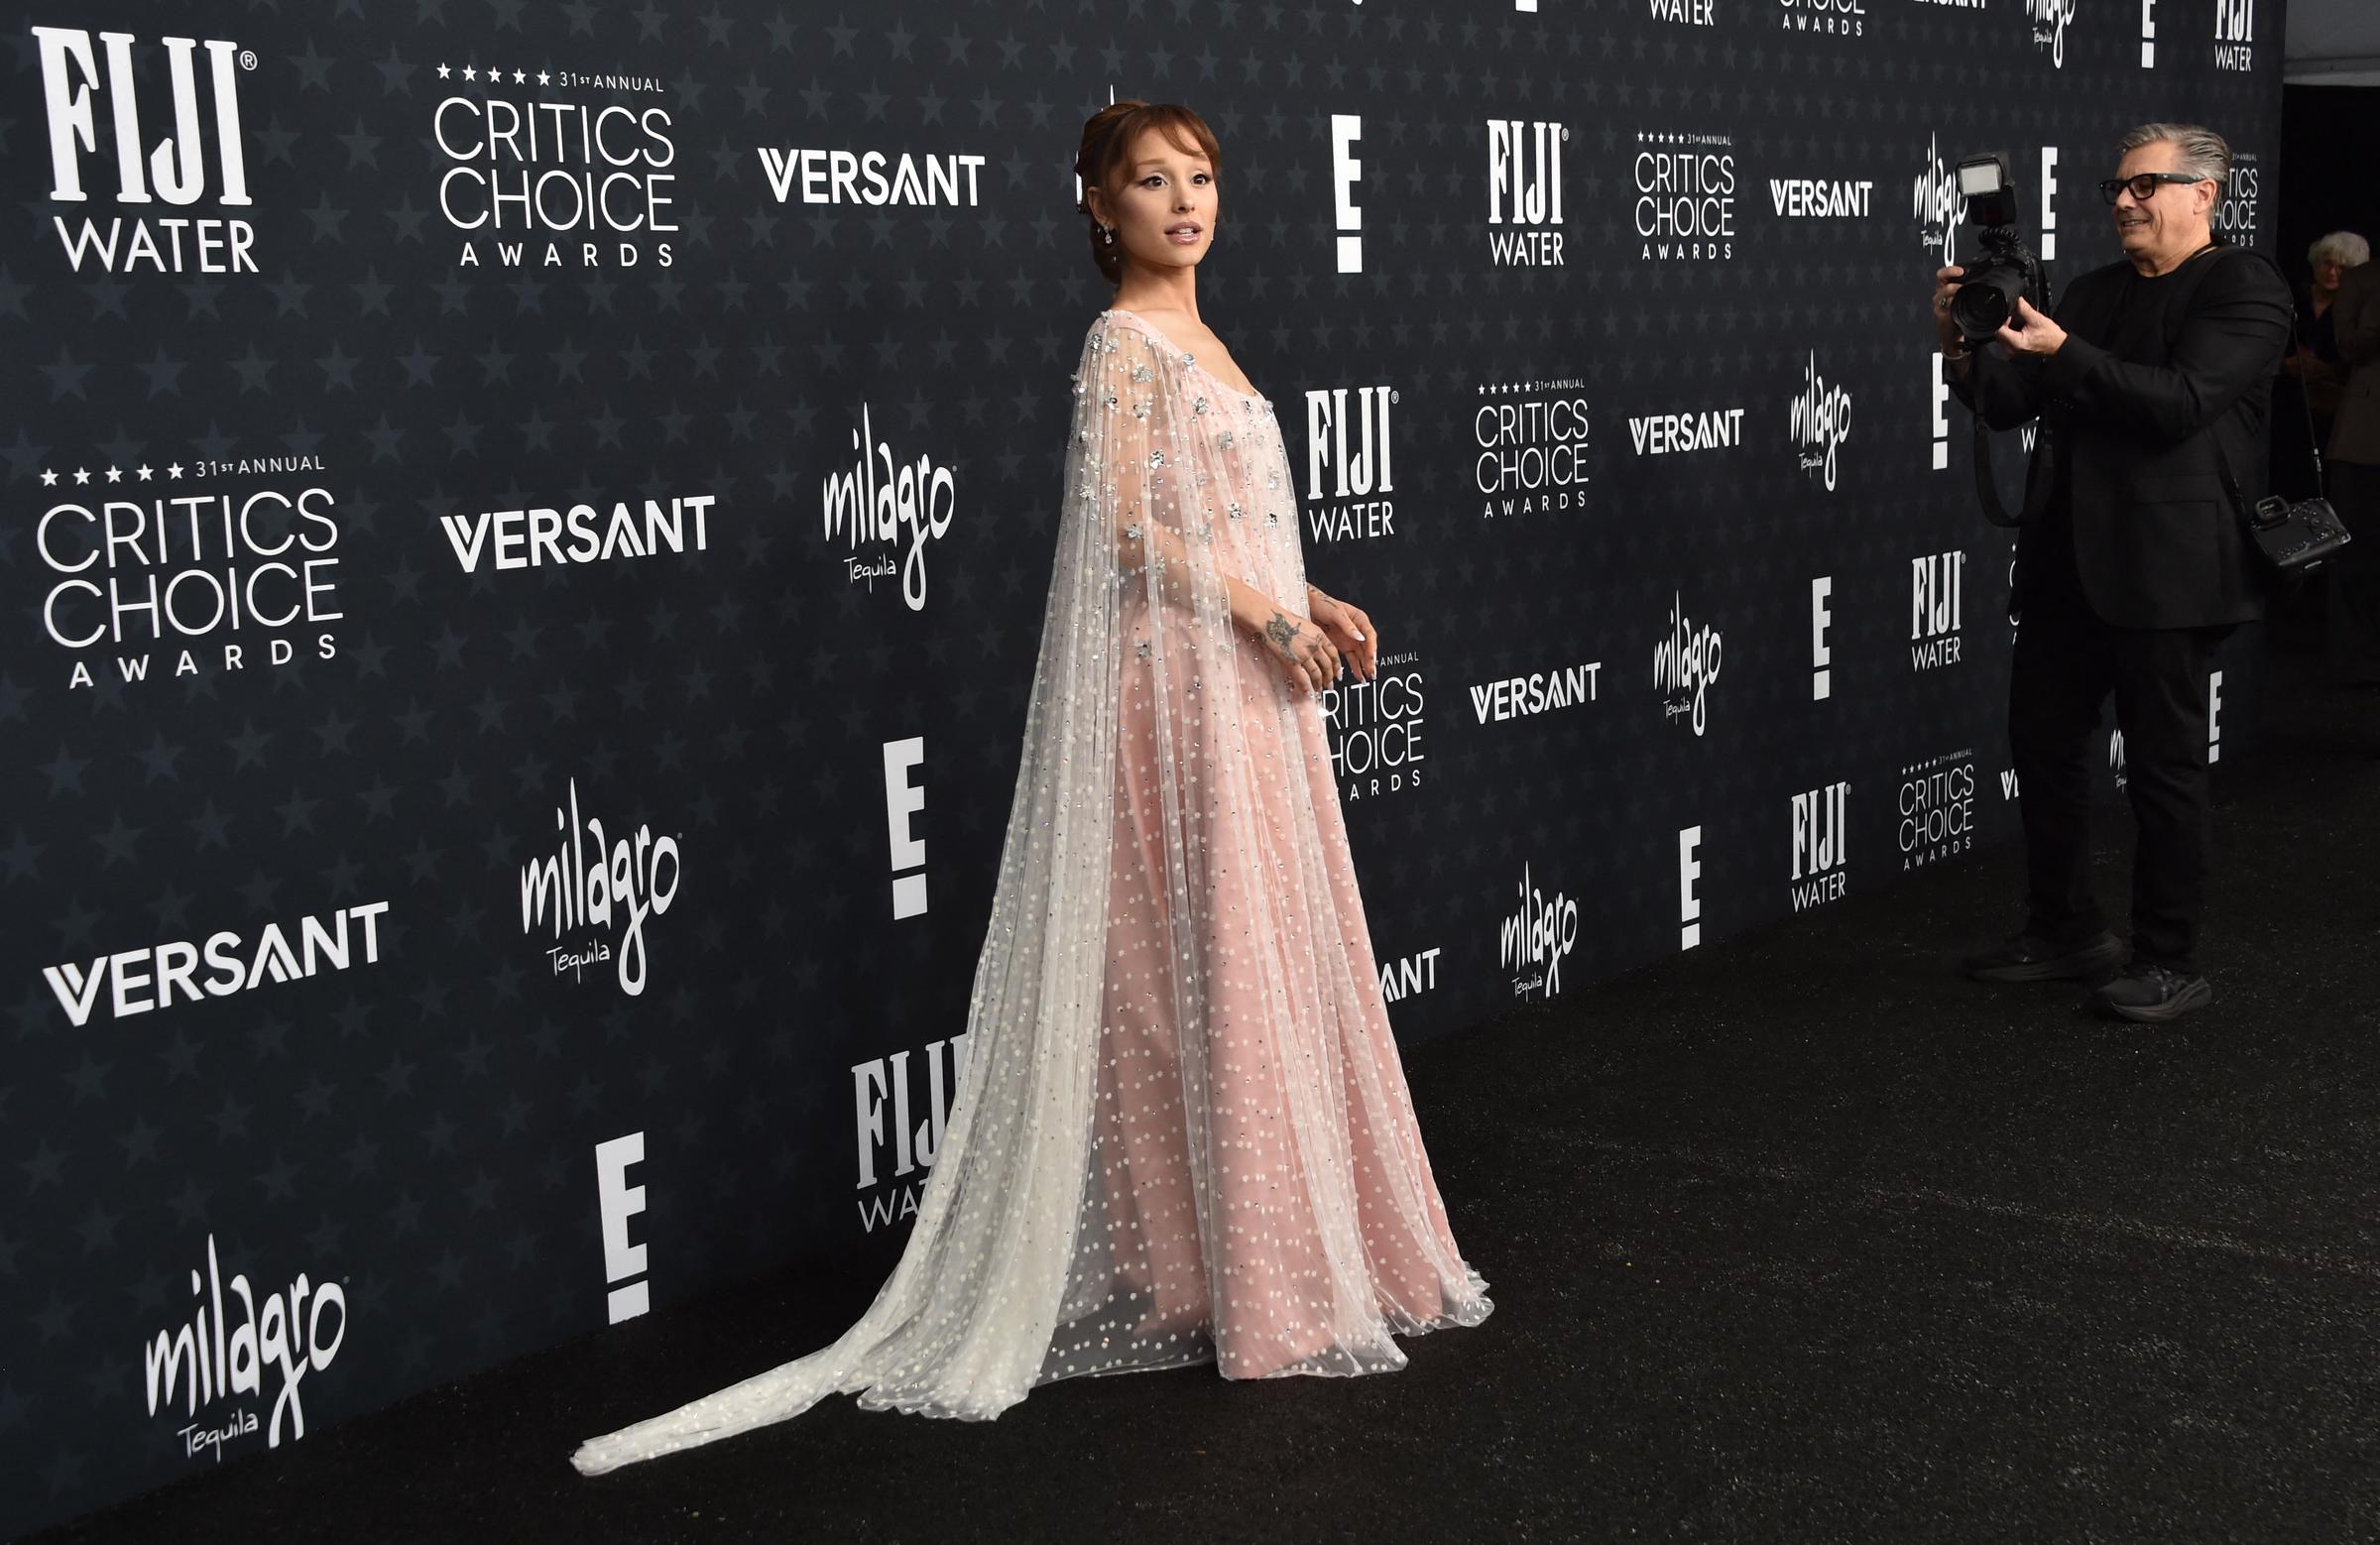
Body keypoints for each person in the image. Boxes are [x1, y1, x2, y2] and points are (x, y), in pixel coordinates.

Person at [570, 102, 1491, 1475]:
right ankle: (1244, 1282)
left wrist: (1308, 591)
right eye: (1151, 182)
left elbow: (1218, 519)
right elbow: (1126, 527)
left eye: (1200, 178)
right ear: (1097, 207)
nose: (1184, 202)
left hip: (1243, 679)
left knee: (1246, 962)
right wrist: (1259, 609)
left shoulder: (1206, 339)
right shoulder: (1120, 344)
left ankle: (1250, 1263)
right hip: (1180, 694)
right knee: (1201, 973)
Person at [1933, 122, 2291, 1024]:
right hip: (2064, 562)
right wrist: (1962, 346)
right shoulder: (2089, 293)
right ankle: (2065, 930)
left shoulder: (2244, 287)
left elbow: (2181, 406)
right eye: (2118, 189)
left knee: (2164, 772)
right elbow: (2011, 406)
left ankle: (2168, 959)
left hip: (2169, 573)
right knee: (2044, 750)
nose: (2125, 202)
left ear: (2204, 194)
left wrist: (2063, 353)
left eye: (2145, 186)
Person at [2274, 231, 2369, 496]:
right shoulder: (2290, 296)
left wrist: (2327, 369)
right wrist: (2285, 363)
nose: (2332, 271)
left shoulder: (2358, 309)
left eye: (2343, 267)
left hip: (2331, 411)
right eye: (2327, 262)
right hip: (2284, 402)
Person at [2326, 251, 2380, 684]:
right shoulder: (2362, 281)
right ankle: (2351, 659)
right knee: (2356, 550)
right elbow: (2347, 346)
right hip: (2364, 439)